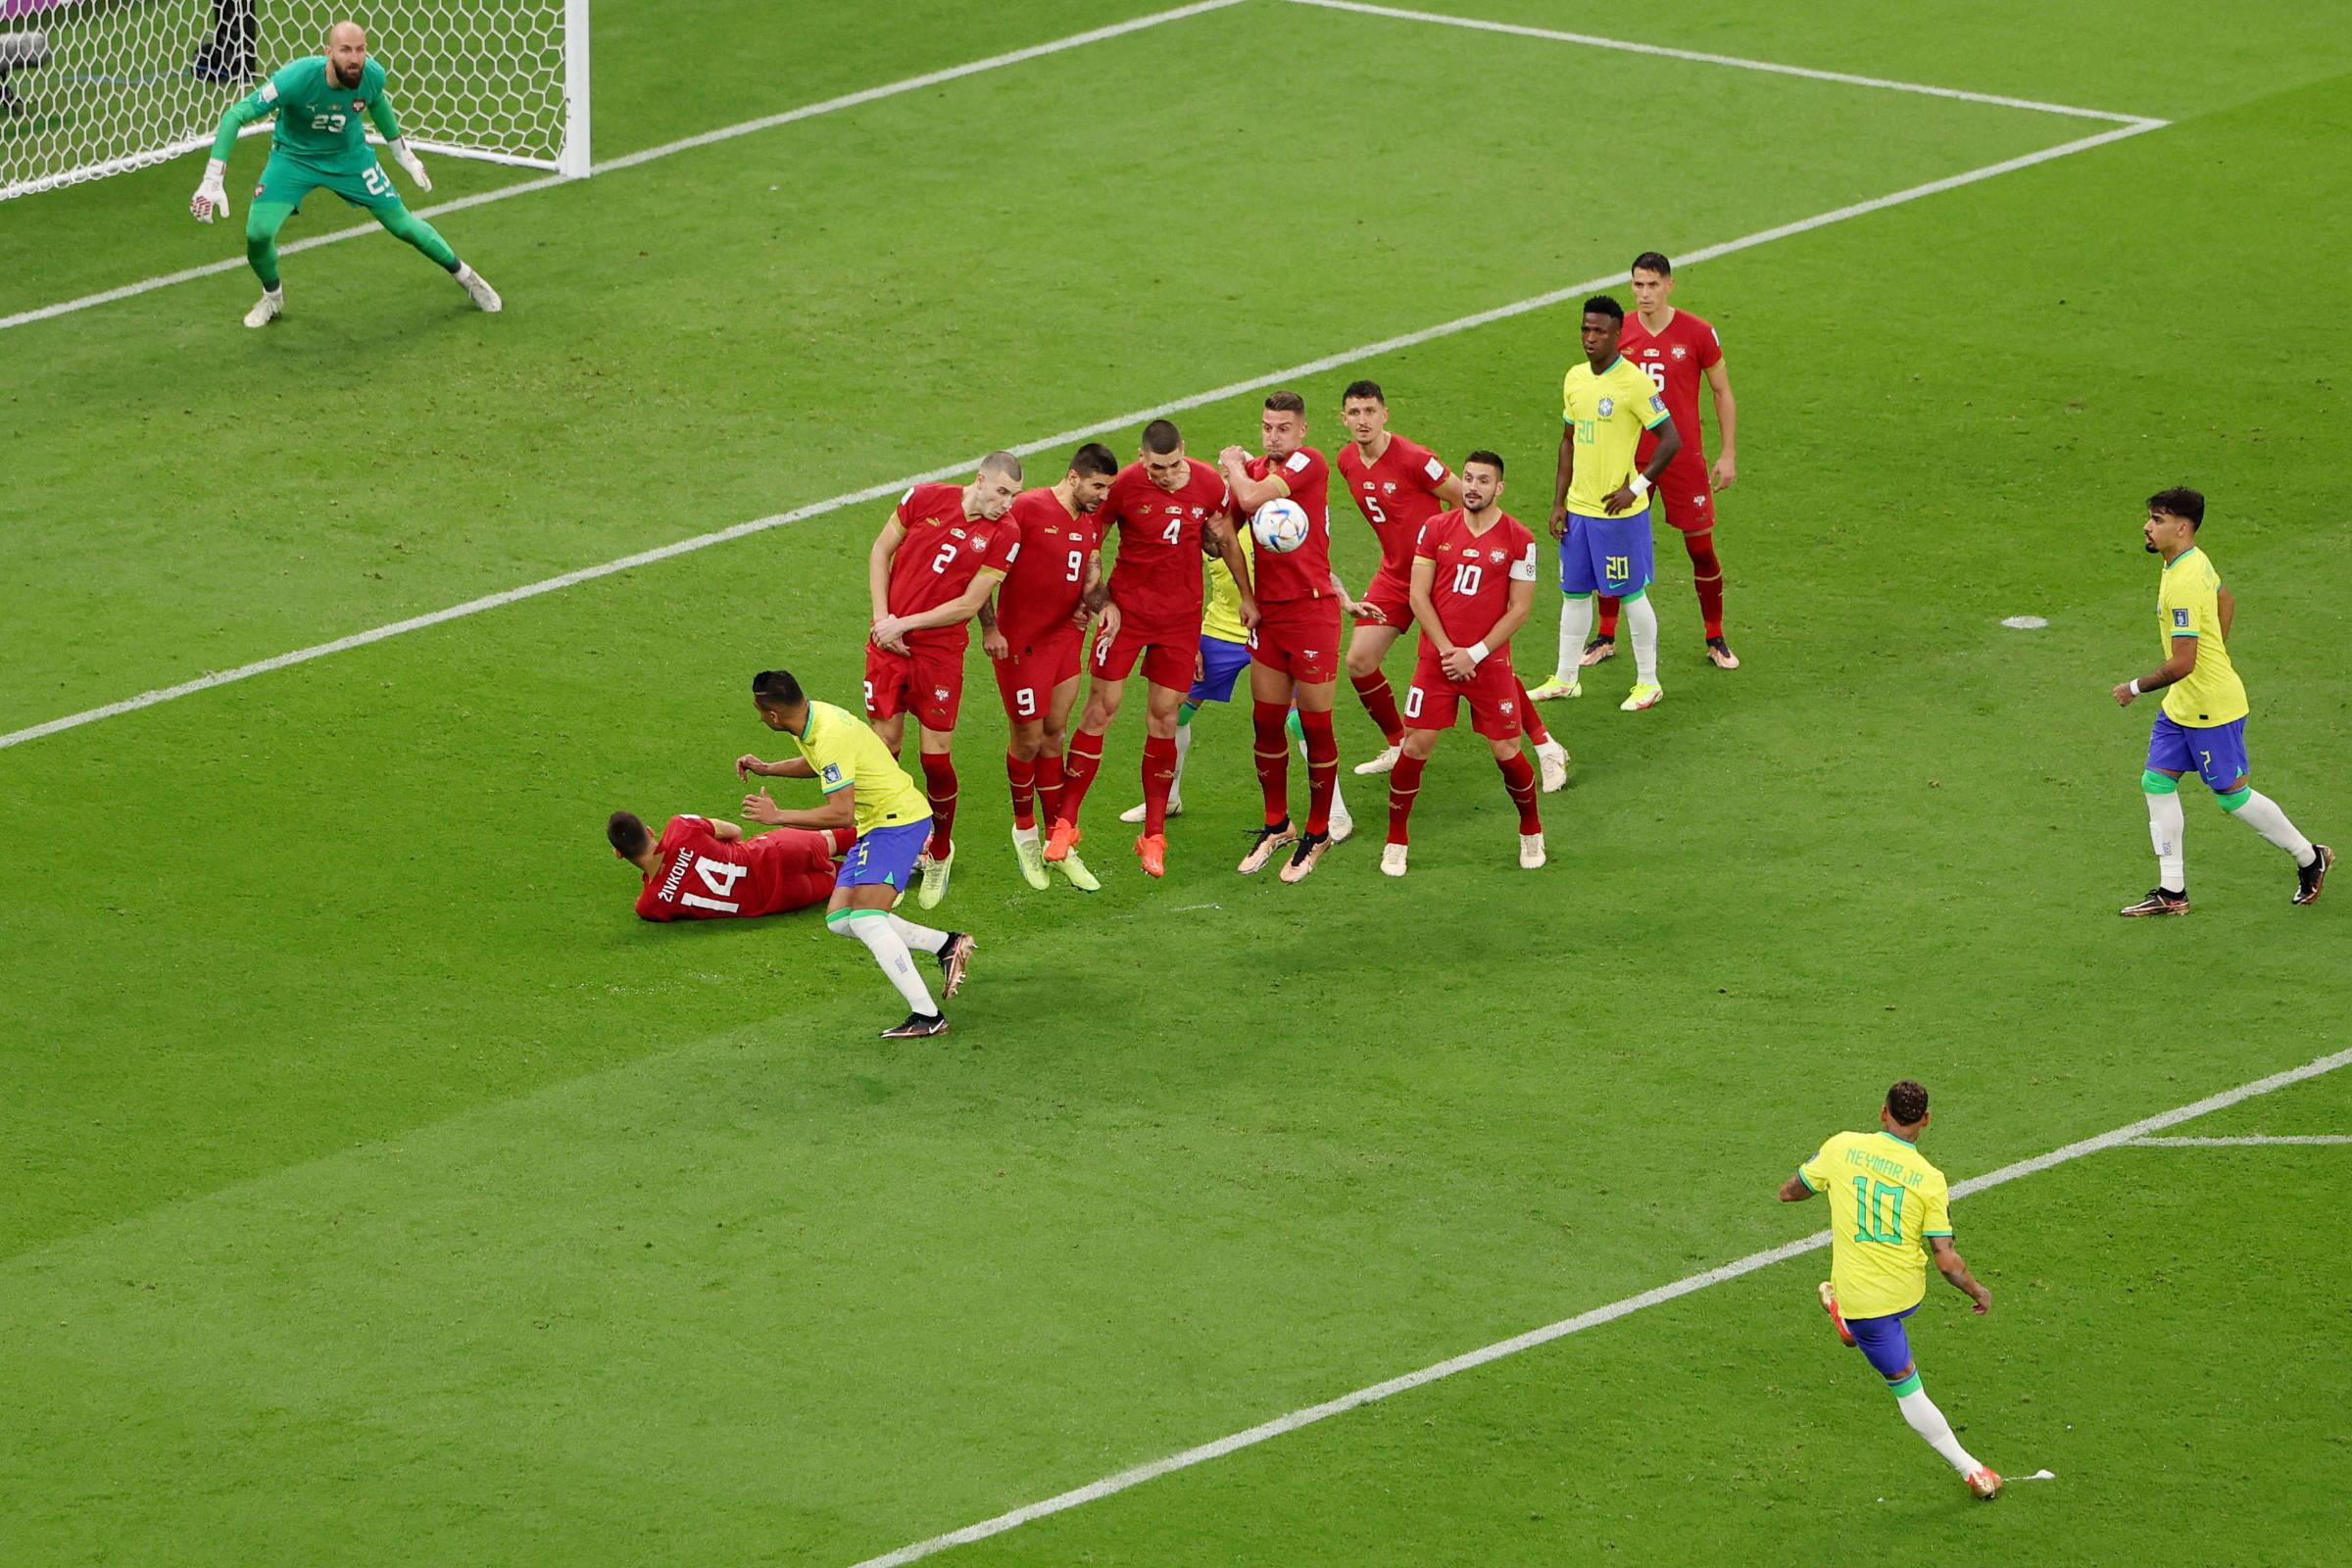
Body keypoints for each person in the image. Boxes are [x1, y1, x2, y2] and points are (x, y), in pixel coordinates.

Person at [189, 21, 501, 327]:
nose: (355, 59)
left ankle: (468, 278)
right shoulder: (294, 79)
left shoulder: (371, 74)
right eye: (346, 50)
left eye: (361, 50)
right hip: (294, 160)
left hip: (350, 159)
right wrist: (212, 178)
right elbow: (235, 115)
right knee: (258, 235)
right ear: (329, 52)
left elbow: (376, 101)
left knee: (403, 225)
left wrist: (402, 153)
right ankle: (272, 297)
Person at [1335, 380, 1568, 790]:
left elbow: (1468, 499)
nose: (1363, 420)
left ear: (1385, 414)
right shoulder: (1346, 461)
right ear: (1344, 419)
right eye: (1354, 413)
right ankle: (1396, 743)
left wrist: (1474, 560)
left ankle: (1547, 746)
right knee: (1359, 661)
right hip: (1394, 576)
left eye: (1370, 411)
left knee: (1482, 664)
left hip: (1441, 578)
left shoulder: (1415, 459)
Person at [1780, 1080, 2002, 1501]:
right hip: (1904, 1294)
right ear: (1925, 1121)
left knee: (1894, 1368)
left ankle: (1846, 1319)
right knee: (1898, 1366)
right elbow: (1946, 1260)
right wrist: (1978, 1291)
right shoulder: (1930, 1178)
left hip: (1865, 1300)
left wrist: (1805, 1184)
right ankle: (1971, 1469)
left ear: (1883, 1112)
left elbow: (1791, 1192)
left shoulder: (1842, 1146)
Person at [1051, 420, 1254, 880]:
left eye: (1173, 464)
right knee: (1100, 709)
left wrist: (1247, 596)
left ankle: (1154, 836)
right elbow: (1091, 544)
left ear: (1184, 451)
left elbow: (1223, 538)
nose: (1165, 475)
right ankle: (1065, 824)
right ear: (1142, 458)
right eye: (1157, 467)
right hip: (1127, 613)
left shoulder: (1207, 484)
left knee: (1165, 717)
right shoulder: (1122, 487)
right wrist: (1096, 600)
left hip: (1180, 622)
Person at [2112, 487, 2329, 913]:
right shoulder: (2188, 560)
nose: (2147, 526)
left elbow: (2184, 663)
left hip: (2212, 706)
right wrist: (2218, 650)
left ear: (2182, 526)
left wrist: (2134, 687)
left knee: (2231, 796)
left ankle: (2310, 856)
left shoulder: (2185, 581)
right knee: (2156, 782)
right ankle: (2172, 892)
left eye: (2157, 519)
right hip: (2182, 706)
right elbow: (2225, 598)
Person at [735, 669, 973, 1039]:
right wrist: (768, 769)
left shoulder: (828, 735)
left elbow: (840, 813)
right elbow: (822, 766)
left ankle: (928, 1016)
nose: (758, 716)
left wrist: (778, 816)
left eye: (758, 710)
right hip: (877, 824)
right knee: (841, 919)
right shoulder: (812, 720)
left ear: (773, 715)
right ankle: (947, 944)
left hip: (897, 822)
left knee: (867, 919)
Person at [864, 452, 1025, 908]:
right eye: (1001, 492)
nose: (1006, 504)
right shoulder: (925, 497)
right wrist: (882, 620)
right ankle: (892, 852)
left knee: (935, 758)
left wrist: (902, 625)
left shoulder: (1005, 533)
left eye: (1013, 496)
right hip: (887, 641)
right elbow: (880, 549)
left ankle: (939, 848)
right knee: (884, 753)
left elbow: (968, 605)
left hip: (938, 652)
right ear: (980, 480)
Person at [1379, 452, 1546, 876]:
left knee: (1507, 751)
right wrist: (1448, 650)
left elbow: (1519, 609)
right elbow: (1419, 596)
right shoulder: (1435, 528)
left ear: (1499, 488)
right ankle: (1396, 840)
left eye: (1483, 480)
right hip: (1436, 662)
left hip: (1488, 665)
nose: (1473, 486)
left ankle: (1531, 830)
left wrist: (1474, 653)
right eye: (1469, 478)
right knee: (1415, 746)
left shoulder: (1520, 539)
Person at [1584, 253, 1740, 670]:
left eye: (1652, 284)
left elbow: (1721, 392)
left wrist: (1727, 453)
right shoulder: (1620, 332)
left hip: (1683, 458)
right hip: (1629, 458)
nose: (1644, 293)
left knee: (1701, 548)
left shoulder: (1698, 332)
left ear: (1669, 284)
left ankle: (1715, 636)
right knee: (1614, 544)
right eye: (1638, 285)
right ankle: (1605, 635)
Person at [1528, 296, 1682, 711]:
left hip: (1619, 516)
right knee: (1574, 594)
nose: (1590, 338)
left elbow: (1671, 440)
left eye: (1599, 331)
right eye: (1585, 329)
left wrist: (1638, 487)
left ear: (1618, 335)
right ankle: (1565, 678)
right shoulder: (1575, 378)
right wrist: (1559, 502)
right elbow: (1567, 441)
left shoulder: (1633, 382)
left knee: (1631, 595)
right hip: (1578, 511)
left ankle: (1648, 682)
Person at [1219, 391, 1349, 882]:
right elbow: (1224, 530)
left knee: (1315, 726)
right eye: (1267, 427)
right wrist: (1246, 596)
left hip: (1312, 613)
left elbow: (1251, 499)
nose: (1273, 436)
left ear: (1302, 430)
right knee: (1266, 722)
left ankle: (1319, 832)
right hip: (1269, 617)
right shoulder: (1252, 470)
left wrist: (1232, 464)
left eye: (1283, 427)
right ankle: (1279, 825)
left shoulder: (1308, 463)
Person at [984, 444, 1116, 892]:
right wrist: (990, 628)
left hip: (1065, 641)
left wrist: (1096, 602)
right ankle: (1025, 833)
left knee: (1055, 734)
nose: (1103, 496)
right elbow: (981, 567)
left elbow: (1092, 578)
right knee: (1027, 738)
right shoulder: (1026, 507)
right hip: (1020, 643)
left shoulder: (1091, 519)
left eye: (1108, 488)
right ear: (1074, 478)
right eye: (1098, 486)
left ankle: (1059, 843)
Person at [609, 810, 851, 921]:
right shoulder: (681, 827)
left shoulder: (650, 905)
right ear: (649, 831)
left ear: (619, 854)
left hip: (784, 897)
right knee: (846, 838)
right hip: (777, 852)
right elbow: (735, 831)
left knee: (846, 875)